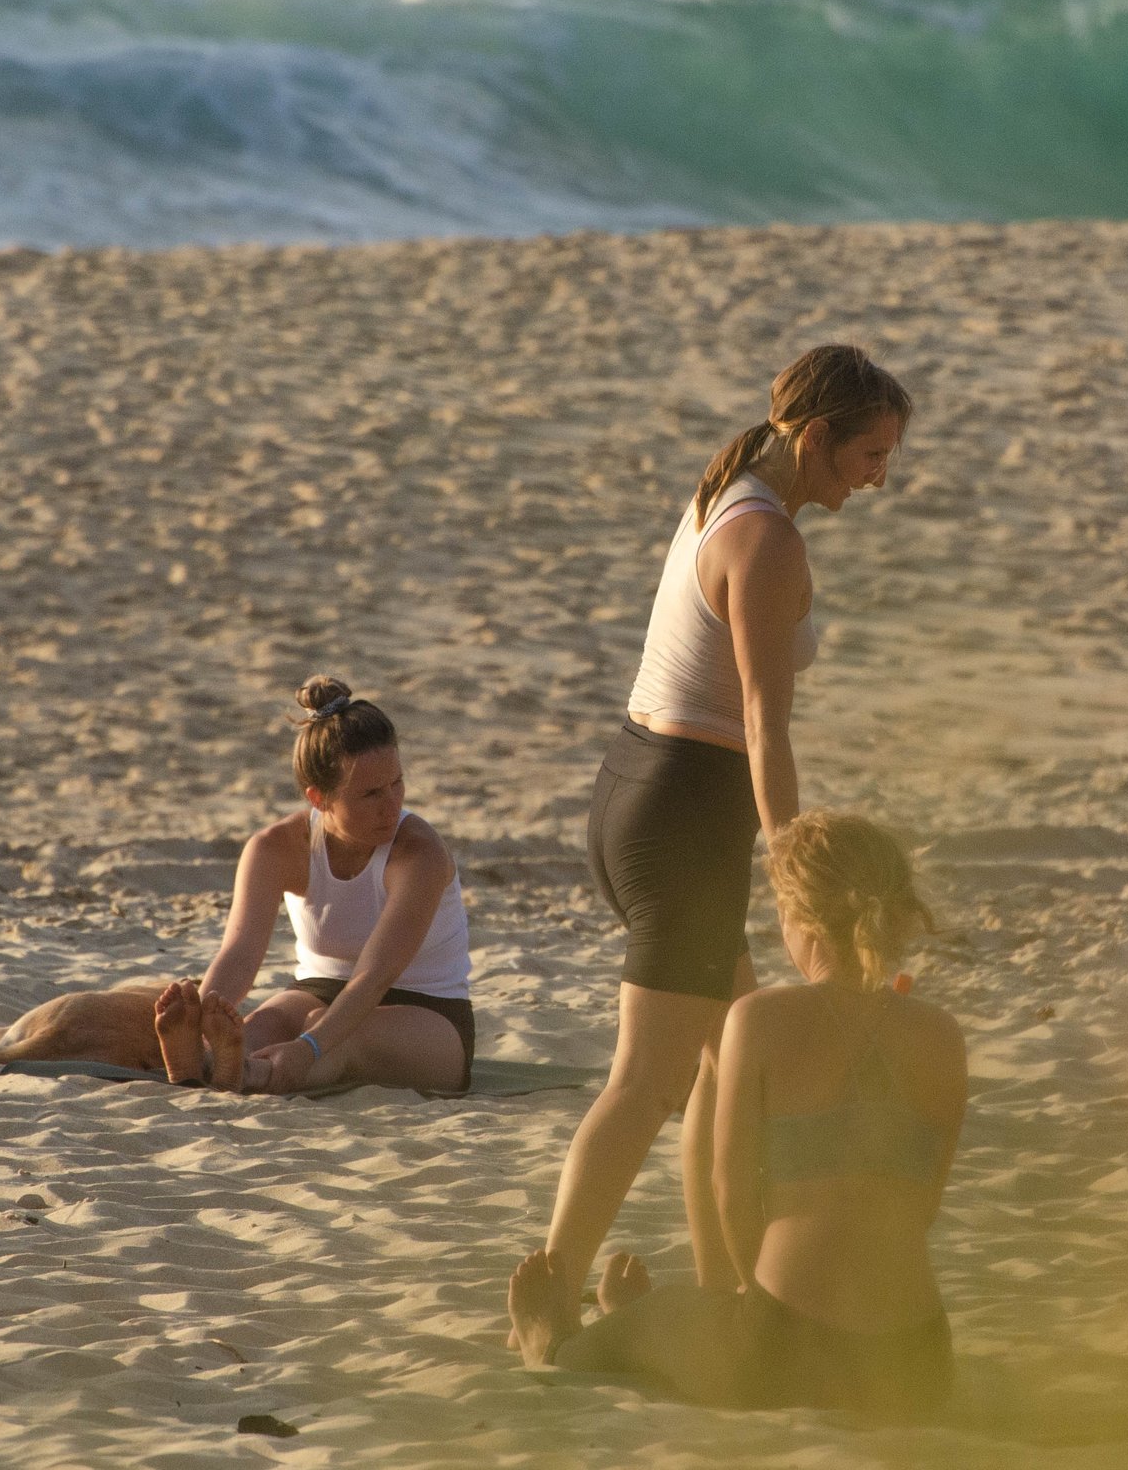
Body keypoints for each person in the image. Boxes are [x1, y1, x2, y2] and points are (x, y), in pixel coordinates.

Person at [530, 343, 912, 1322]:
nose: (879, 479)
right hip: (688, 822)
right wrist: (797, 877)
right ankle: (551, 1290)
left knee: (725, 1076)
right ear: (816, 438)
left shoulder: (732, 487)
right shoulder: (767, 540)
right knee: (647, 1084)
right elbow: (762, 726)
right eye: (870, 455)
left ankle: (729, 1295)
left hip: (638, 794)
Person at [509, 811, 964, 1420]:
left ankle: (554, 1343)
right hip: (918, 1359)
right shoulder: (942, 1034)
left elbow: (731, 1192)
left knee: (659, 1318)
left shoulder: (759, 1019)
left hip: (787, 1350)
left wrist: (758, 1288)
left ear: (799, 918)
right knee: (691, 1322)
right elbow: (924, 1202)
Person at [166, 676, 477, 1096]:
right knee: (265, 1025)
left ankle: (245, 1074)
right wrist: (202, 1015)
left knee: (334, 1040)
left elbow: (373, 976)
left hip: (430, 1016)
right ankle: (204, 1061)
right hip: (315, 992)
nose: (393, 805)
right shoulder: (275, 848)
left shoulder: (420, 855)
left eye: (396, 783)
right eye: (370, 794)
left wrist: (309, 1047)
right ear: (319, 798)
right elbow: (239, 953)